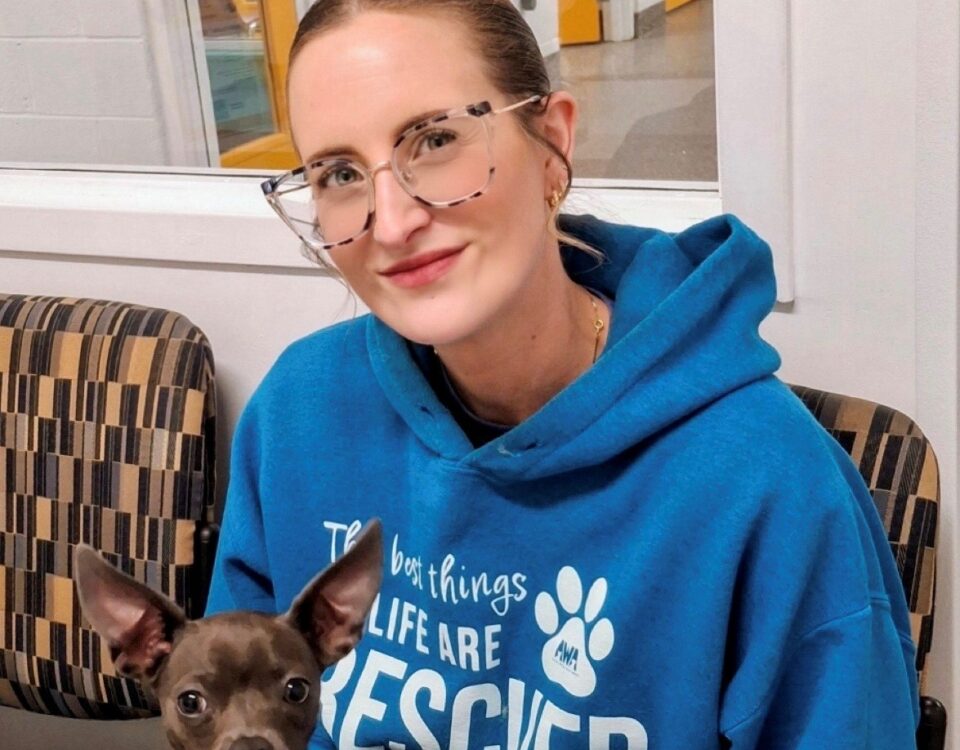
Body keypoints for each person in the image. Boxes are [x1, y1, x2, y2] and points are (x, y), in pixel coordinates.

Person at [206, 1, 920, 747]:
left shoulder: (768, 482)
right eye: (340, 174)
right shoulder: (296, 415)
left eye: (436, 139)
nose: (391, 222)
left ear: (551, 142)